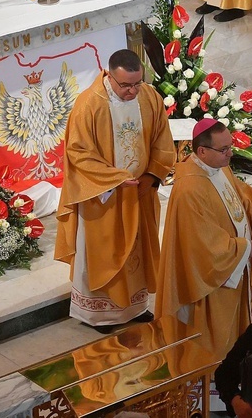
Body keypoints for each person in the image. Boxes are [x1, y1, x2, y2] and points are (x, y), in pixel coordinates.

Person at [54, 49, 175, 333]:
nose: (132, 90)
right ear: (109, 75)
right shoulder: (89, 105)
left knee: (137, 250)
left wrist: (152, 175)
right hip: (103, 195)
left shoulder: (149, 97)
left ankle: (135, 306)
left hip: (139, 192)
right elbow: (78, 153)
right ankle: (100, 315)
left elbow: (162, 139)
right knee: (105, 252)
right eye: (125, 85)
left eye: (137, 83)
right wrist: (115, 179)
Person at [154, 119, 252, 359]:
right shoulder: (190, 189)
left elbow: (241, 201)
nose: (230, 154)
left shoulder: (219, 167)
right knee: (214, 343)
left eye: (230, 147)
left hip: (234, 272)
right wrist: (246, 247)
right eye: (224, 149)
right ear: (202, 151)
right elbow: (202, 246)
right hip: (210, 283)